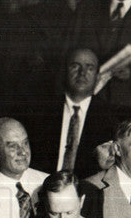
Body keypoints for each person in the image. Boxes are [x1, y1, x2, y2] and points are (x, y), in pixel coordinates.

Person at [24, 47, 115, 179]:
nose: (82, 73)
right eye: (75, 66)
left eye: (89, 68)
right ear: (64, 71)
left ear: (97, 75)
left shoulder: (109, 117)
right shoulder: (40, 112)